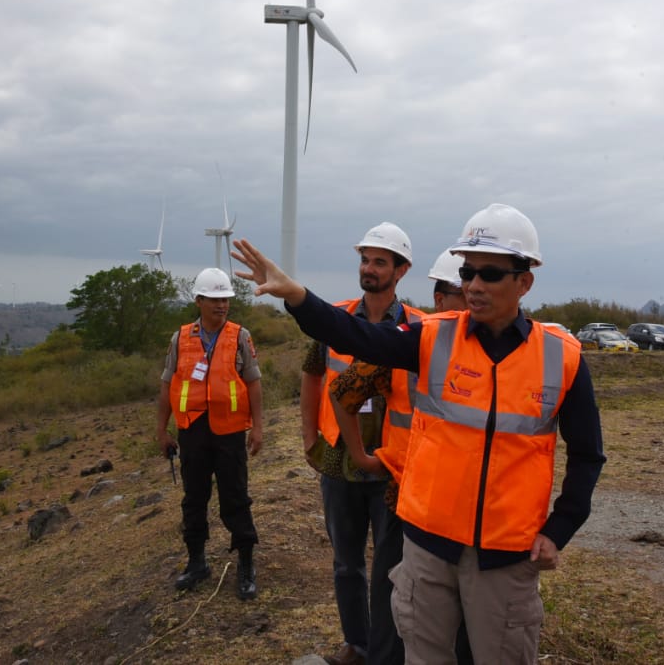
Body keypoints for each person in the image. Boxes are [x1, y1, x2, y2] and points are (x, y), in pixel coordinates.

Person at [234, 203, 606, 665]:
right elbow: (354, 336)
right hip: (428, 544)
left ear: (524, 280)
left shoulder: (561, 357)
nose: (472, 285)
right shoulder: (432, 338)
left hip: (505, 555)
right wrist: (296, 296)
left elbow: (589, 455)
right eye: (467, 272)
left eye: (488, 274)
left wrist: (560, 528)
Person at [327, 246, 475, 665]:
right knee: (397, 595)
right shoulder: (413, 344)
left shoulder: (499, 355)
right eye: (463, 290)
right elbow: (341, 391)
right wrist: (363, 456)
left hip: (469, 505)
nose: (475, 297)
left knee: (465, 613)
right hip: (408, 498)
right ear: (442, 299)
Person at [301, 223, 427, 665]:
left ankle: (387, 651)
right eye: (365, 259)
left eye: (379, 261)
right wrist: (308, 438)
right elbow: (313, 374)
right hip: (339, 458)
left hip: (393, 463)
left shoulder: (421, 328)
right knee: (346, 563)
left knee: (392, 568)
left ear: (401, 270)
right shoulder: (335, 318)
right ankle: (357, 644)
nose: (369, 269)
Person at [156, 267, 264, 601]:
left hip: (230, 430)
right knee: (194, 498)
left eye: (226, 299)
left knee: (235, 497)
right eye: (215, 299)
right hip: (192, 430)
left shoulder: (240, 336)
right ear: (199, 300)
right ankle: (197, 561)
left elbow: (253, 382)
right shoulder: (181, 338)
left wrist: (258, 426)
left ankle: (246, 564)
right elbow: (167, 383)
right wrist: (162, 429)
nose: (222, 305)